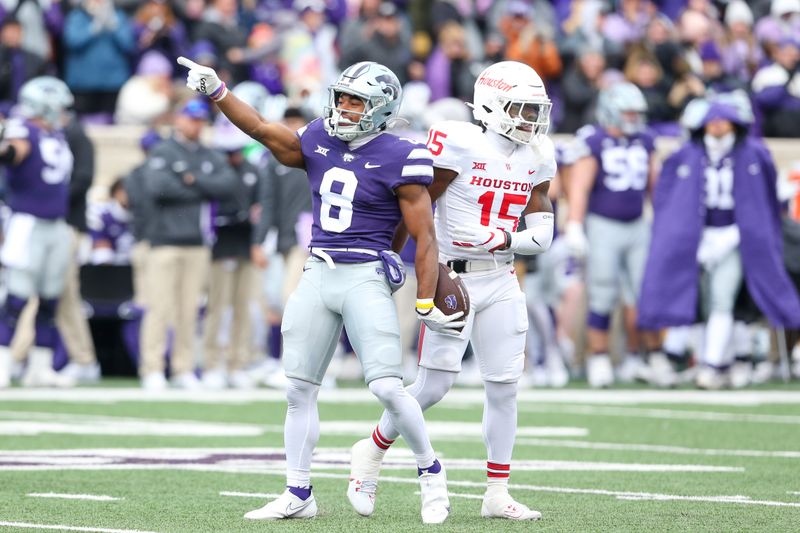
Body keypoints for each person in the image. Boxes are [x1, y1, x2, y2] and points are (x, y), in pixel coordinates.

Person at [177, 57, 459, 524]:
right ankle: (298, 493)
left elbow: (424, 236)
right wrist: (218, 91)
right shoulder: (319, 136)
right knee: (297, 389)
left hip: (365, 274)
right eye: (342, 97)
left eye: (357, 101)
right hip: (318, 269)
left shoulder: (402, 153)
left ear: (382, 108)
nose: (345, 108)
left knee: (388, 387)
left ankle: (431, 473)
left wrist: (425, 299)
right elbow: (266, 131)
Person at [347, 60, 556, 521]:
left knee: (504, 388)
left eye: (534, 109)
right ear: (491, 105)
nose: (529, 119)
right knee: (435, 385)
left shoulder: (539, 154)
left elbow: (542, 236)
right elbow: (417, 207)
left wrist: (505, 239)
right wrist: (391, 255)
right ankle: (373, 449)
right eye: (520, 109)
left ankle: (497, 492)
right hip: (450, 276)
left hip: (502, 276)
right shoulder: (457, 140)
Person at [638, 94, 800, 389]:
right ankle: (710, 361)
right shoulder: (686, 154)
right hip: (698, 235)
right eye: (712, 122)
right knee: (698, 298)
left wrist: (754, 231)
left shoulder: (754, 153)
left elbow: (767, 199)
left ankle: (714, 365)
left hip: (736, 233)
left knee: (723, 297)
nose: (717, 127)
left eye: (723, 121)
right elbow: (667, 198)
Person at [138, 98, 237, 390]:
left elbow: (227, 186)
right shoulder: (163, 150)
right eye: (190, 118)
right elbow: (157, 187)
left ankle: (183, 367)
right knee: (159, 307)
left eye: (200, 120)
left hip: (198, 242)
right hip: (164, 241)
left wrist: (191, 180)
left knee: (189, 309)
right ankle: (152, 367)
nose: (195, 125)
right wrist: (200, 186)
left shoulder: (210, 154)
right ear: (178, 119)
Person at [563, 82, 658, 388]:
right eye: (627, 112)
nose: (633, 118)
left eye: (636, 112)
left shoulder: (645, 139)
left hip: (637, 224)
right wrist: (575, 224)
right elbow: (580, 186)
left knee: (643, 292)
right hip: (603, 223)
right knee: (603, 291)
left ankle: (639, 356)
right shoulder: (594, 139)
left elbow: (653, 186)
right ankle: (599, 357)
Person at [0, 77, 75, 388]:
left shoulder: (55, 134)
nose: (64, 112)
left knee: (50, 300)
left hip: (56, 224)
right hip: (27, 222)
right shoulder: (23, 128)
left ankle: (40, 368)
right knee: (16, 297)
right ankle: (3, 363)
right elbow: (13, 152)